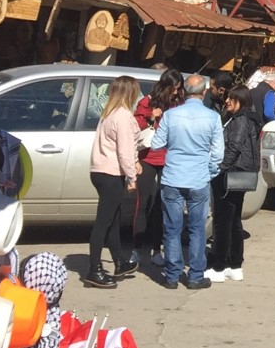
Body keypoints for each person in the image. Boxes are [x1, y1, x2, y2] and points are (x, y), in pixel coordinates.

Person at [150, 72, 224, 290]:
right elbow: (218, 154)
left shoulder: (172, 115)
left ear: (185, 91)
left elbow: (156, 144)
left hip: (173, 176)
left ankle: (172, 275)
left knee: (171, 228)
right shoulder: (212, 117)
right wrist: (208, 171)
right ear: (203, 92)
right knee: (197, 229)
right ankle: (195, 275)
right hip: (198, 179)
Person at [85, 75, 140, 288]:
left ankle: (119, 262)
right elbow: (124, 151)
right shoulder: (124, 116)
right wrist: (132, 176)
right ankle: (94, 269)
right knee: (104, 222)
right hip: (111, 173)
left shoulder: (108, 113)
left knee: (113, 219)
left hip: (99, 171)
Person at [209, 86, 261, 282]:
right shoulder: (243, 117)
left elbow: (234, 147)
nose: (227, 101)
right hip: (239, 172)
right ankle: (234, 264)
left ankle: (220, 266)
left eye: (232, 98)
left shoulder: (241, 120)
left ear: (242, 100)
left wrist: (220, 168)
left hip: (232, 173)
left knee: (223, 221)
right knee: (233, 221)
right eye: (227, 98)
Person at [133, 69, 183, 266]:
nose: (176, 93)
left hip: (169, 159)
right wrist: (150, 117)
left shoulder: (179, 105)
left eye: (179, 89)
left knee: (163, 204)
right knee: (143, 202)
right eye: (174, 89)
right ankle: (137, 247)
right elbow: (135, 125)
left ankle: (157, 247)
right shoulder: (148, 101)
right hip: (147, 157)